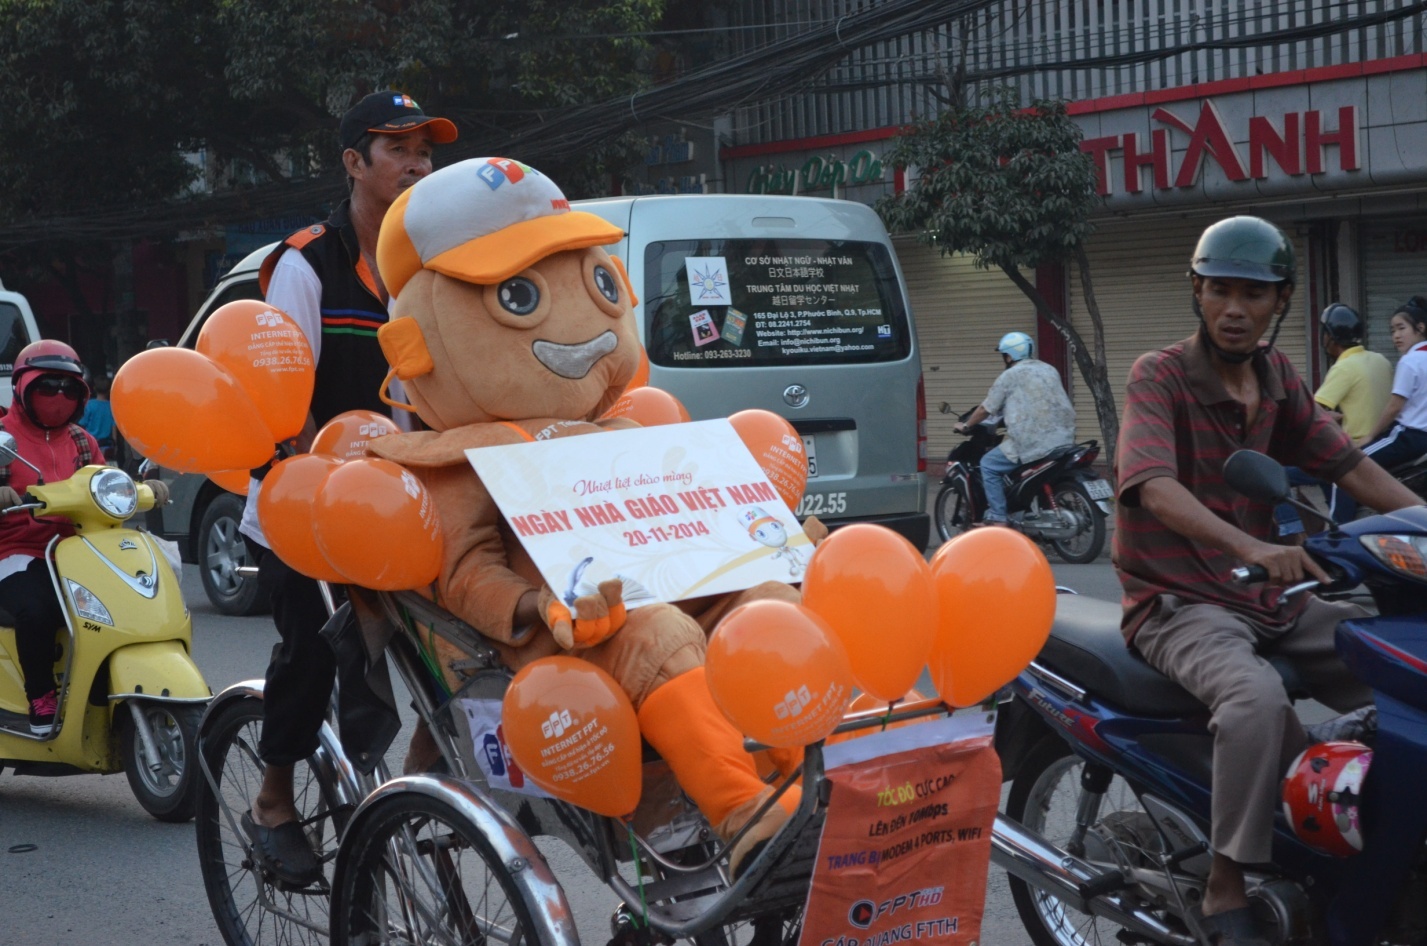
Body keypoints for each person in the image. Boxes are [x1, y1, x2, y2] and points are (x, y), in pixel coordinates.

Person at [1113, 215, 1421, 946]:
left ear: (1280, 302)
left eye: (1252, 295)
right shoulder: (1159, 374)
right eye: (1219, 291)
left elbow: (1348, 466)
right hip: (1178, 600)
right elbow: (1152, 485)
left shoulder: (1277, 377)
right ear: (1196, 291)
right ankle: (1226, 886)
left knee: (1401, 662)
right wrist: (1248, 542)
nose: (1233, 309)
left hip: (1269, 597)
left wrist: (1422, 521)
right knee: (1252, 700)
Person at [238, 90, 456, 886]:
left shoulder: (437, 266)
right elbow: (280, 396)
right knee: (313, 652)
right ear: (354, 162)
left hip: (406, 504)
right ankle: (272, 802)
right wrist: (319, 489)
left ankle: (414, 786)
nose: (416, 164)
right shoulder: (306, 263)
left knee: (466, 641)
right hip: (307, 503)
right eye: (398, 149)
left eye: (425, 151)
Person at [0, 342, 168, 734]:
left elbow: (104, 484)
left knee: (126, 603)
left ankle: (101, 685)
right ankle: (41, 696)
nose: (59, 396)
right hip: (17, 550)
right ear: (23, 388)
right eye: (48, 386)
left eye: (69, 388)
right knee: (37, 610)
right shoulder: (3, 438)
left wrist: (142, 488)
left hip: (80, 549)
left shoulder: (82, 440)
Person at [1278, 303, 1392, 529]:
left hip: (1350, 451)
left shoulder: (1344, 367)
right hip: (1380, 445)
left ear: (1331, 337)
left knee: (1279, 475)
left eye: (1324, 333)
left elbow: (1310, 415)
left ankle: (1291, 532)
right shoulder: (1381, 360)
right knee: (1321, 477)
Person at [952, 330, 1075, 525]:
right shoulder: (1049, 369)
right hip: (1064, 438)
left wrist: (966, 425)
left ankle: (998, 516)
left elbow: (985, 409)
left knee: (988, 464)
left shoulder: (1009, 376)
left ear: (1009, 356)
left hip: (1031, 440)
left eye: (1004, 355)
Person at [78, 375, 117, 461]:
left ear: (94, 389)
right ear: (109, 390)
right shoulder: (112, 406)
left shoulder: (89, 405)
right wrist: (115, 444)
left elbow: (82, 425)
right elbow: (114, 427)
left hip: (90, 443)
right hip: (106, 445)